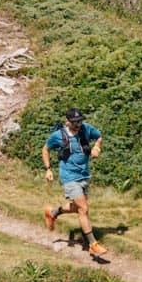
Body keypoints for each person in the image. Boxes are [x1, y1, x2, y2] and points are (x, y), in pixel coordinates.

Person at [43, 107, 108, 261]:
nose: (78, 124)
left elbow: (99, 136)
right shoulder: (58, 136)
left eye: (80, 121)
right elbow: (45, 149)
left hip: (84, 175)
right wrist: (48, 169)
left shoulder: (86, 129)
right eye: (75, 122)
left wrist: (97, 146)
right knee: (83, 209)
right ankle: (93, 244)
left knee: (77, 207)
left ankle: (52, 213)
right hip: (69, 177)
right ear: (68, 122)